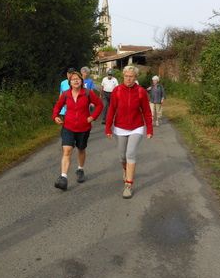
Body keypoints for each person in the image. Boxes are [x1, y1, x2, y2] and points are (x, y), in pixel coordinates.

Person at [105, 65, 153, 199]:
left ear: (135, 77)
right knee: (122, 156)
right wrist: (108, 127)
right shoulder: (117, 90)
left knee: (130, 153)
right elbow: (111, 110)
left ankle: (128, 185)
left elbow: (147, 112)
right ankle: (126, 170)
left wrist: (149, 129)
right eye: (126, 76)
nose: (128, 79)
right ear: (123, 77)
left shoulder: (141, 92)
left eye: (131, 76)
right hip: (120, 127)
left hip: (136, 127)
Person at [52, 71, 103, 190]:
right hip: (68, 127)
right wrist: (55, 116)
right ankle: (63, 177)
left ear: (82, 81)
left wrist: (92, 117)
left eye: (78, 79)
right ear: (69, 82)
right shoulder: (65, 94)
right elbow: (57, 106)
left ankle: (80, 169)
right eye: (73, 79)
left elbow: (99, 105)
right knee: (67, 150)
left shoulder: (88, 93)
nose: (76, 80)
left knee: (81, 149)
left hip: (83, 127)